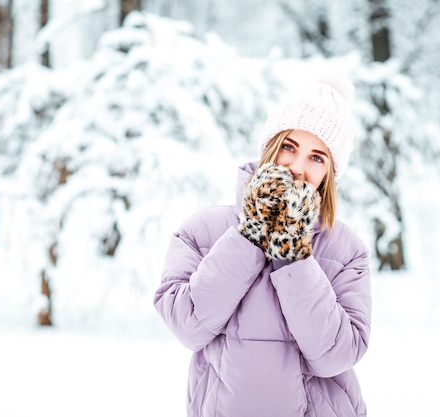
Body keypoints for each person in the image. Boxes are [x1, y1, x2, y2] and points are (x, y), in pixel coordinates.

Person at [153, 80, 372, 417]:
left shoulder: (347, 251)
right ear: (269, 146)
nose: (297, 167)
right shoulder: (202, 230)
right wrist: (250, 234)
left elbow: (337, 354)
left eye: (317, 157)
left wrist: (293, 253)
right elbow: (188, 325)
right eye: (289, 146)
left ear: (329, 173)